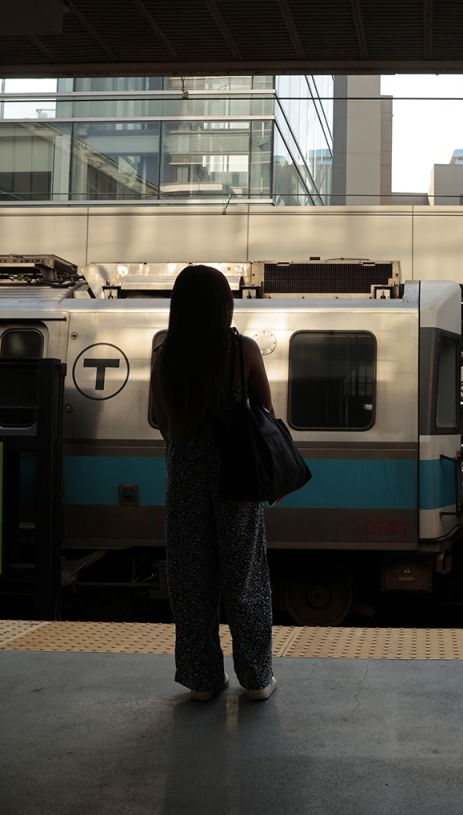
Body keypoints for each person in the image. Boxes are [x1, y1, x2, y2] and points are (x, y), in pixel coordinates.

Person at [151, 265, 276, 702]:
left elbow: (158, 419)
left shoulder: (166, 354)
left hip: (183, 472)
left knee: (190, 577)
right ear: (225, 305)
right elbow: (264, 411)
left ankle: (202, 678)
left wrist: (189, 442)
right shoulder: (243, 351)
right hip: (236, 474)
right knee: (244, 576)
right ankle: (257, 677)